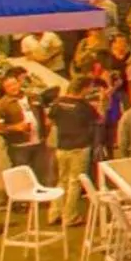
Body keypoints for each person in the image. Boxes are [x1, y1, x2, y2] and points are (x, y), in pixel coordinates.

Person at [48, 77, 101, 226]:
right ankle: (69, 216)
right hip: (79, 147)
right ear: (83, 88)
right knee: (75, 182)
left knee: (61, 180)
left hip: (62, 146)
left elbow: (50, 120)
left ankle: (54, 213)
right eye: (89, 88)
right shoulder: (84, 106)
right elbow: (98, 120)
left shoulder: (58, 102)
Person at [0, 72, 43, 199]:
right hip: (19, 145)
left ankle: (36, 198)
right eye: (9, 86)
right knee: (21, 173)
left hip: (38, 141)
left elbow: (41, 112)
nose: (13, 87)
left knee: (38, 171)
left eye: (14, 84)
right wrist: (15, 127)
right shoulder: (1, 106)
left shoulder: (32, 97)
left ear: (19, 83)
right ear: (4, 89)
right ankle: (21, 201)